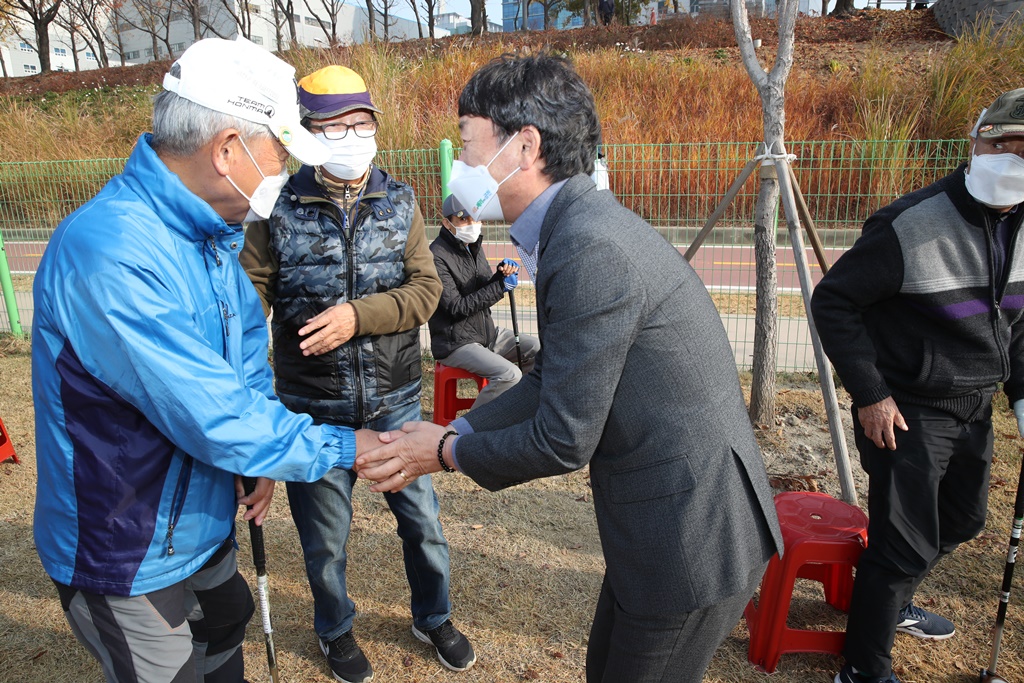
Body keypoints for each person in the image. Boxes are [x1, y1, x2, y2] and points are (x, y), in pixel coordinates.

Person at [355, 53, 783, 683]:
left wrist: (443, 452)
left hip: (691, 537)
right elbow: (554, 379)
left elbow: (564, 436)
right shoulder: (577, 227)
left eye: (470, 145)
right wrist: (460, 432)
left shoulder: (588, 247)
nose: (462, 167)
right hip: (660, 523)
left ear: (523, 147)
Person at [31, 37, 379, 683]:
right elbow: (207, 411)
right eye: (278, 155)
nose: (282, 173)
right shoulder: (111, 250)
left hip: (199, 514)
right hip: (128, 538)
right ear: (227, 150)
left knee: (226, 618)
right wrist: (348, 448)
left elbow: (244, 361)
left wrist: (257, 458)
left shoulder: (212, 233)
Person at [239, 65, 474, 683]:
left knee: (423, 524)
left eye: (360, 124)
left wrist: (356, 317)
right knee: (324, 540)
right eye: (332, 126)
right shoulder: (275, 206)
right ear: (306, 135)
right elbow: (246, 302)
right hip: (310, 406)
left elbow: (427, 291)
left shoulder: (399, 202)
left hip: (394, 400)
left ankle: (434, 615)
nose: (349, 136)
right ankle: (334, 630)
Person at [811, 88, 1024, 683]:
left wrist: (1023, 395)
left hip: (974, 401)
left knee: (962, 521)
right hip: (906, 406)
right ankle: (862, 668)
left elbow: (1018, 319)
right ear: (976, 142)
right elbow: (834, 302)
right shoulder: (912, 222)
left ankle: (890, 599)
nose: (1013, 158)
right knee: (902, 544)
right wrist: (870, 392)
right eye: (1003, 143)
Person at [428, 193, 540, 408]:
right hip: (455, 342)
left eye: (476, 218)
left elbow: (482, 290)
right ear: (447, 222)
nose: (472, 225)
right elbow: (456, 307)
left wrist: (501, 275)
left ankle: (520, 408)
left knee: (537, 349)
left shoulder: (473, 246)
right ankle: (471, 429)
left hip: (486, 333)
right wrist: (499, 287)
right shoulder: (436, 255)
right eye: (463, 219)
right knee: (509, 374)